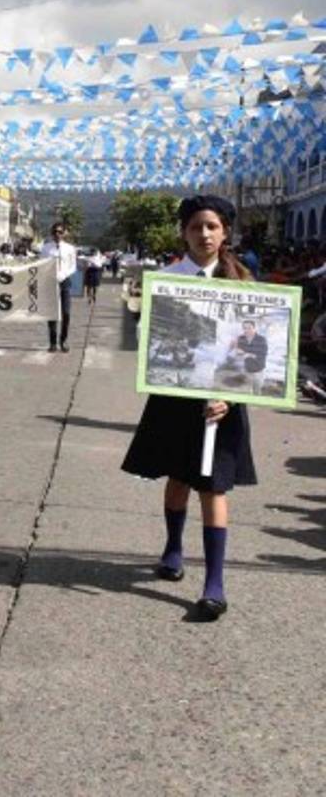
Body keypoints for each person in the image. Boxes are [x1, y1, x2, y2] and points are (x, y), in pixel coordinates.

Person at [121, 195, 255, 623]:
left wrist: (229, 396)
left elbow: (258, 351)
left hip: (222, 403)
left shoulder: (244, 283)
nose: (204, 234)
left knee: (214, 488)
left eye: (212, 226)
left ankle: (215, 584)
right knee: (178, 477)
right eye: (196, 226)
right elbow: (146, 337)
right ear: (184, 232)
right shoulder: (166, 281)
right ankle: (173, 548)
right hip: (175, 398)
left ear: (225, 232)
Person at [40, 222, 77, 352]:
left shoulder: (70, 248)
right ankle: (53, 343)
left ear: (64, 233)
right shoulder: (46, 248)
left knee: (66, 312)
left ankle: (64, 340)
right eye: (55, 232)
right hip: (50, 281)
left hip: (64, 281)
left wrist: (64, 274)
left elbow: (73, 266)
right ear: (52, 233)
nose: (57, 234)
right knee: (52, 313)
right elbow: (42, 264)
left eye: (60, 232)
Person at [227, 319, 268, 395]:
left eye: (249, 328)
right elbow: (234, 352)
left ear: (254, 328)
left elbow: (262, 354)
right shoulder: (241, 338)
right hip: (246, 370)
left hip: (258, 371)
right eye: (244, 328)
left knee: (257, 393)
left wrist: (247, 354)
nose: (246, 330)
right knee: (246, 393)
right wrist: (232, 346)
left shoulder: (261, 339)